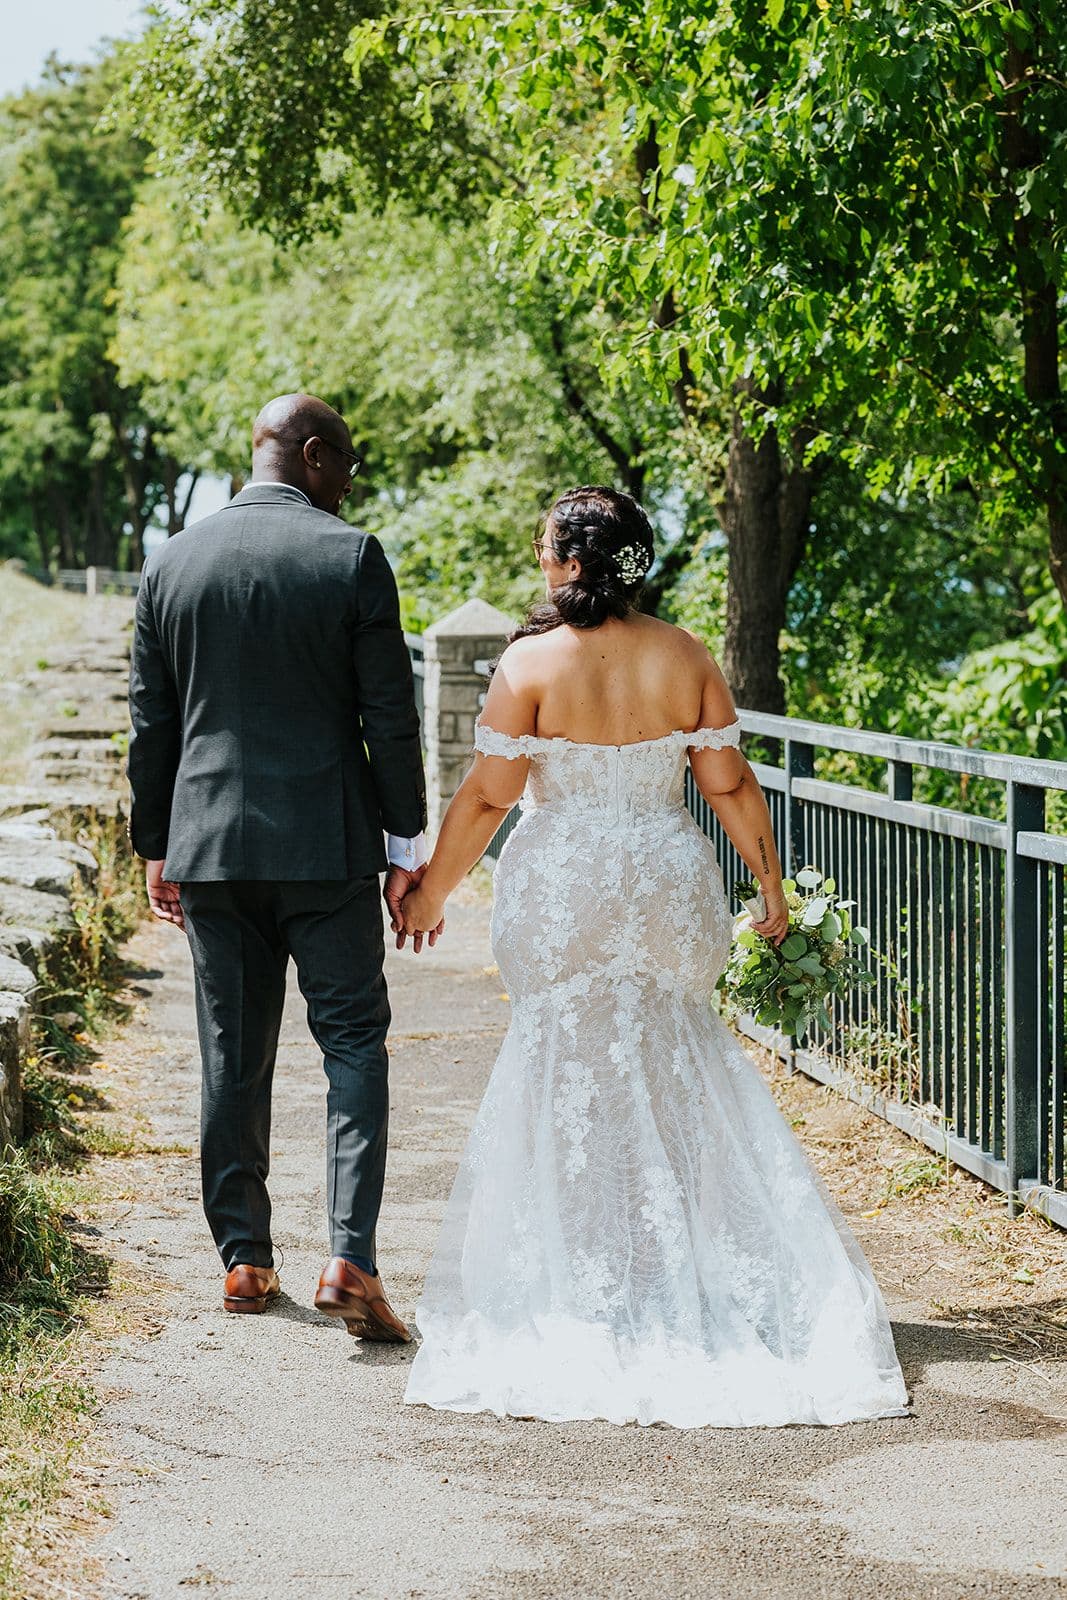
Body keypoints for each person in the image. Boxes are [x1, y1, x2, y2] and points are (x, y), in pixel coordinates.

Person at [397, 485, 910, 1427]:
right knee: (678, 1057)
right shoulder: (685, 657)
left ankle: (586, 1277)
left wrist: (431, 886)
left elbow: (485, 799)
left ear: (573, 563)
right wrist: (769, 891)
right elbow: (730, 784)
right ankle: (682, 1259)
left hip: (565, 893)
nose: (541, 562)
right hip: (665, 880)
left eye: (547, 549)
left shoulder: (531, 662)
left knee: (565, 1063)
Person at [127, 393, 432, 1340]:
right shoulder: (350, 557)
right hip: (327, 846)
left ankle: (246, 1262)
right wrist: (405, 847)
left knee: (231, 1049)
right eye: (345, 464)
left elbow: (152, 724)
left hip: (211, 847)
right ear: (310, 454)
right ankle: (351, 1256)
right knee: (351, 1044)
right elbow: (390, 717)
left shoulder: (169, 562)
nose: (350, 484)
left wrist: (156, 843)